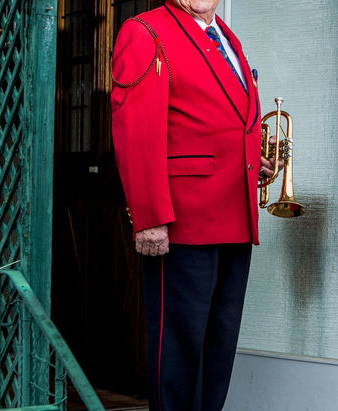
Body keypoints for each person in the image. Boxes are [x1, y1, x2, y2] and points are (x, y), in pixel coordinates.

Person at [110, 1, 274, 409]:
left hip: (234, 216)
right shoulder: (145, 31)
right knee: (179, 353)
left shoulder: (225, 37)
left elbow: (218, 120)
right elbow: (136, 129)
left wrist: (250, 162)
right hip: (183, 221)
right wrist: (149, 217)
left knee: (218, 348)